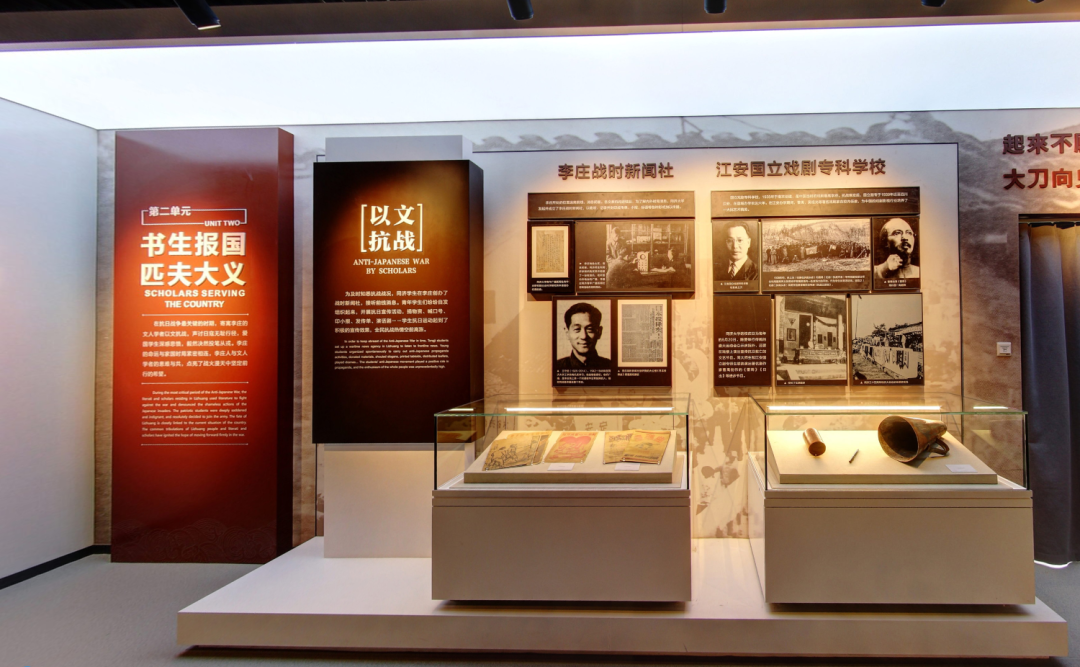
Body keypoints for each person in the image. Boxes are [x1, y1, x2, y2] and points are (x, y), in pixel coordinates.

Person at [555, 302, 610, 370]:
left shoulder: (610, 365)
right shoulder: (557, 366)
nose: (584, 336)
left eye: (590, 329)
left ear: (599, 332)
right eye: (577, 329)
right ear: (567, 333)